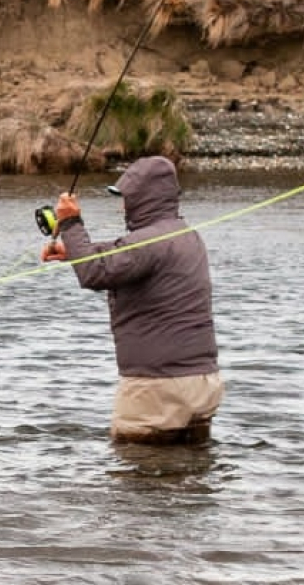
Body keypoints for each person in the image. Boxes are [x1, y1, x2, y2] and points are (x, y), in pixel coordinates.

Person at [42, 153, 224, 444]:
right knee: (191, 478)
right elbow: (126, 257)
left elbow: (94, 273)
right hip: (202, 383)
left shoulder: (147, 243)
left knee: (134, 478)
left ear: (145, 198)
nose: (123, 206)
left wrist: (71, 223)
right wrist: (74, 252)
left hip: (156, 387)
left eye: (127, 197)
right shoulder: (188, 236)